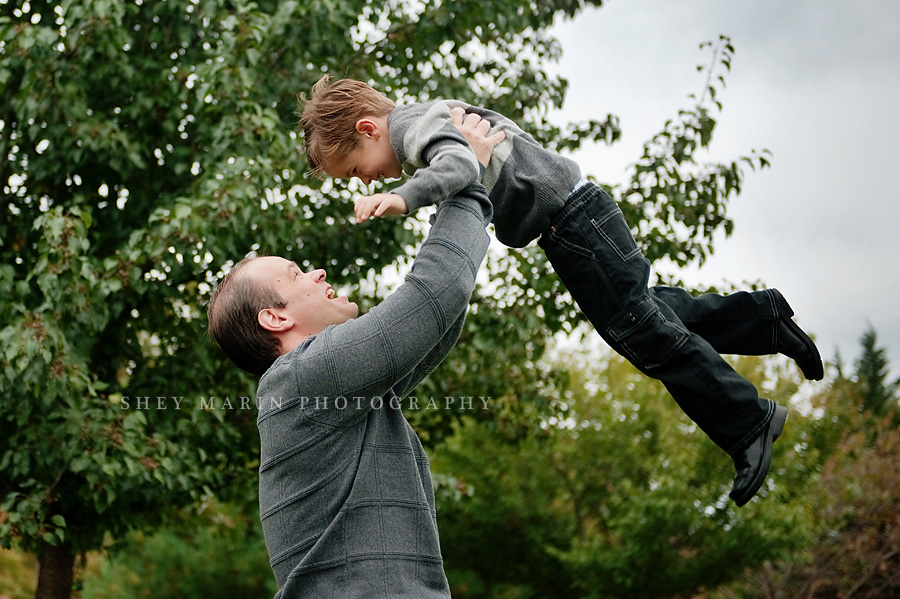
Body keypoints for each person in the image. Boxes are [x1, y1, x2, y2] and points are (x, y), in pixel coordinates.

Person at [297, 75, 825, 507]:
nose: (364, 183)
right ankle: (765, 319)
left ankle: (748, 420)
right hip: (573, 220)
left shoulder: (415, 127)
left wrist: (402, 199)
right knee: (652, 315)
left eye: (354, 171)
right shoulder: (421, 125)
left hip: (573, 222)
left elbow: (461, 165)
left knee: (640, 333)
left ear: (369, 130)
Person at [207, 113, 503, 597]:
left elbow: (436, 323)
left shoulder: (335, 395)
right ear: (275, 318)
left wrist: (460, 184)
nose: (318, 273)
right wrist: (467, 179)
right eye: (296, 273)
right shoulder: (303, 379)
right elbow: (433, 298)